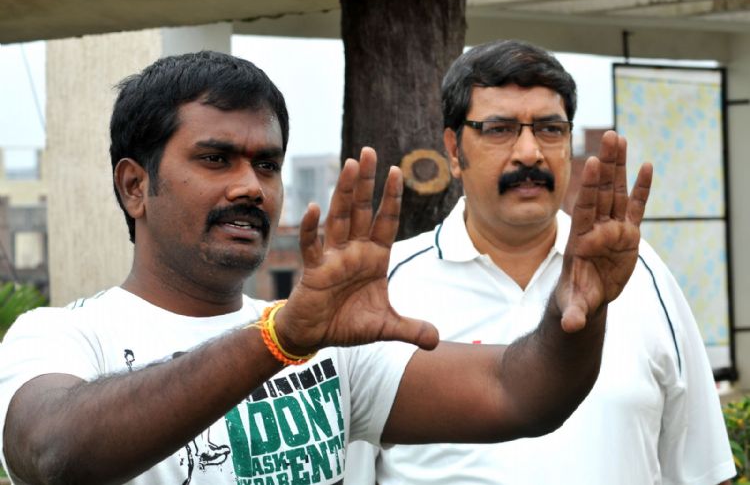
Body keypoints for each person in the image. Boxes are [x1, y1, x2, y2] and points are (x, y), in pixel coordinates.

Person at [0, 50, 652, 485]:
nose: (250, 186)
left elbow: (519, 395)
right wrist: (275, 340)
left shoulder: (328, 348)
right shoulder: (60, 335)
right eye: (216, 159)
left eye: (267, 164)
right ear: (135, 186)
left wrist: (577, 310)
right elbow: (52, 452)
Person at [347, 39, 735, 485]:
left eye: (550, 129)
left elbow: (704, 471)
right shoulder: (388, 288)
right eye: (500, 129)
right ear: (454, 151)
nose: (529, 153)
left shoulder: (639, 274)